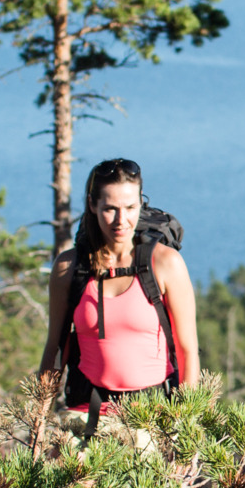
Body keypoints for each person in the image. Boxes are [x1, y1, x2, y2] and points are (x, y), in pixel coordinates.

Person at [40, 159, 199, 422]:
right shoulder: (69, 268)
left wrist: (185, 424)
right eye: (110, 209)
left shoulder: (165, 264)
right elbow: (56, 346)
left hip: (152, 415)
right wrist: (39, 420)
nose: (121, 220)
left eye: (130, 207)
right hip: (86, 413)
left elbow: (187, 350)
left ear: (141, 203)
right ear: (92, 205)